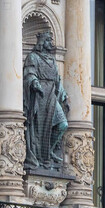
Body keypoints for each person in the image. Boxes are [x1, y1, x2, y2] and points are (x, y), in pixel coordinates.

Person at [23, 31, 68, 171]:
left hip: (52, 94)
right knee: (39, 127)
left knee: (62, 124)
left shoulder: (52, 60)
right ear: (42, 42)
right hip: (40, 95)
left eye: (51, 40)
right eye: (48, 40)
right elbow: (29, 73)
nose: (51, 43)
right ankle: (40, 155)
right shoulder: (33, 57)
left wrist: (62, 91)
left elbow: (57, 79)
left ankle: (50, 150)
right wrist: (35, 83)